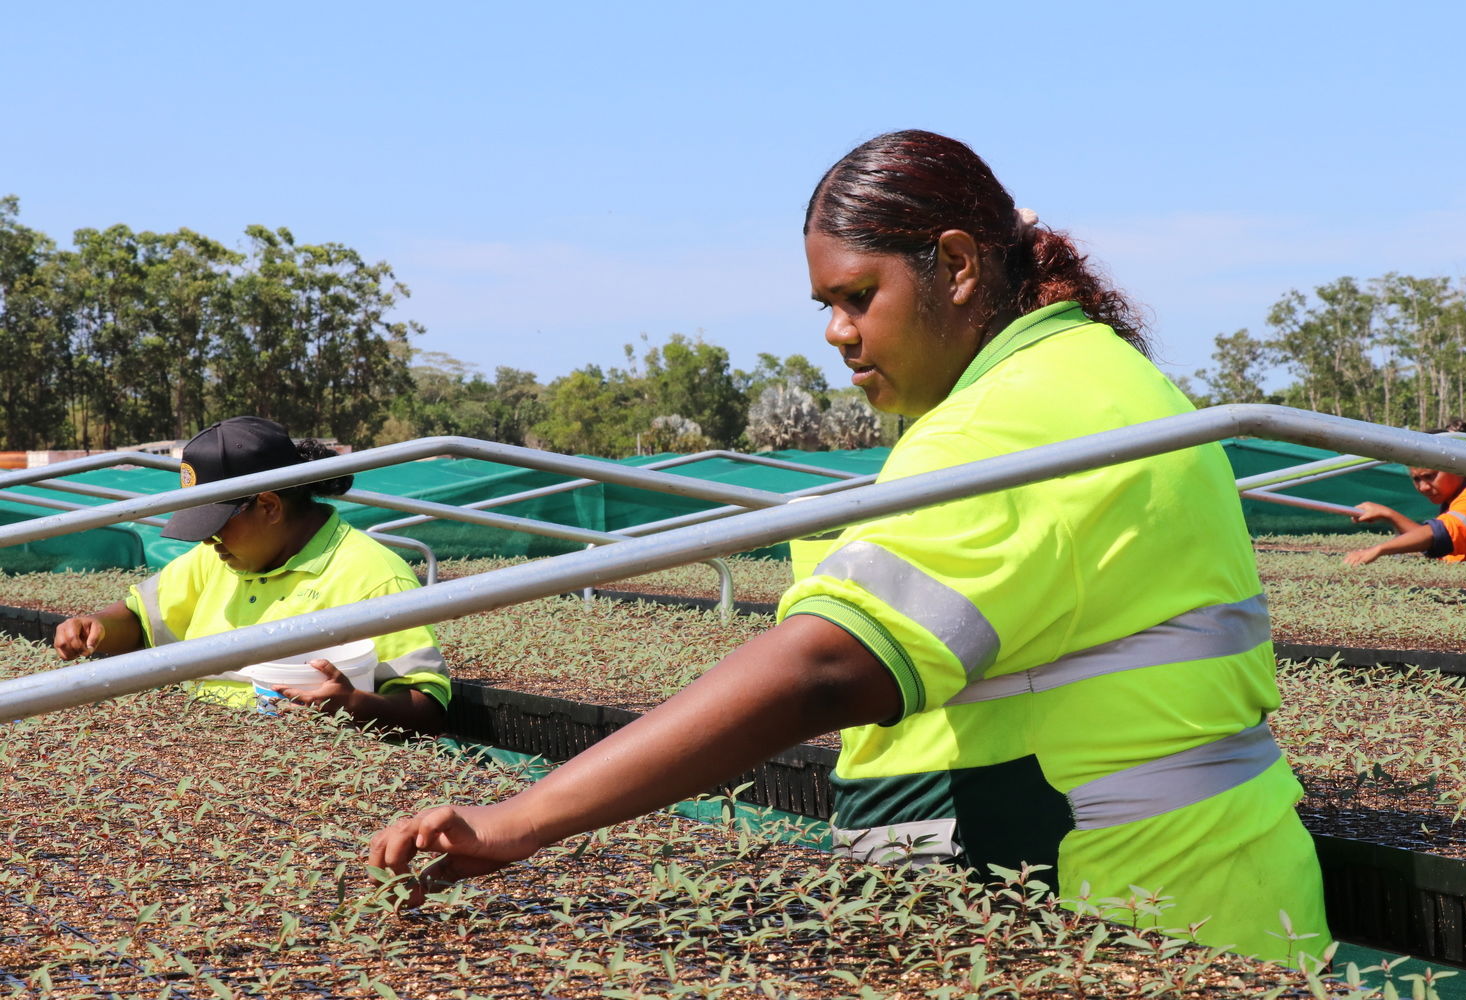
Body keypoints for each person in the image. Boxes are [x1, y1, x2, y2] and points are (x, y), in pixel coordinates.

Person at [369, 130, 1329, 960]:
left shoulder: (1025, 419)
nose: (836, 332)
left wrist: (517, 821)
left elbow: (824, 668)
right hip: (1164, 894)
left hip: (1136, 911)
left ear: (957, 266)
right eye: (825, 304)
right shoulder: (1075, 379)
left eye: (858, 295)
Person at [53, 416, 449, 731]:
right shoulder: (216, 558)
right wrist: (97, 626)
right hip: (199, 741)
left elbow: (427, 707)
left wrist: (353, 705)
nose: (207, 540)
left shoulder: (373, 575)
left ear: (269, 505)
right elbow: (139, 619)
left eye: (216, 523)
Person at [1345, 420, 1466, 566]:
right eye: (1417, 479)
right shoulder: (1457, 496)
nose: (1423, 487)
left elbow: (1440, 533)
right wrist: (1389, 515)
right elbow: (1432, 541)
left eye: (1430, 476)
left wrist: (1378, 549)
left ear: (1459, 467)